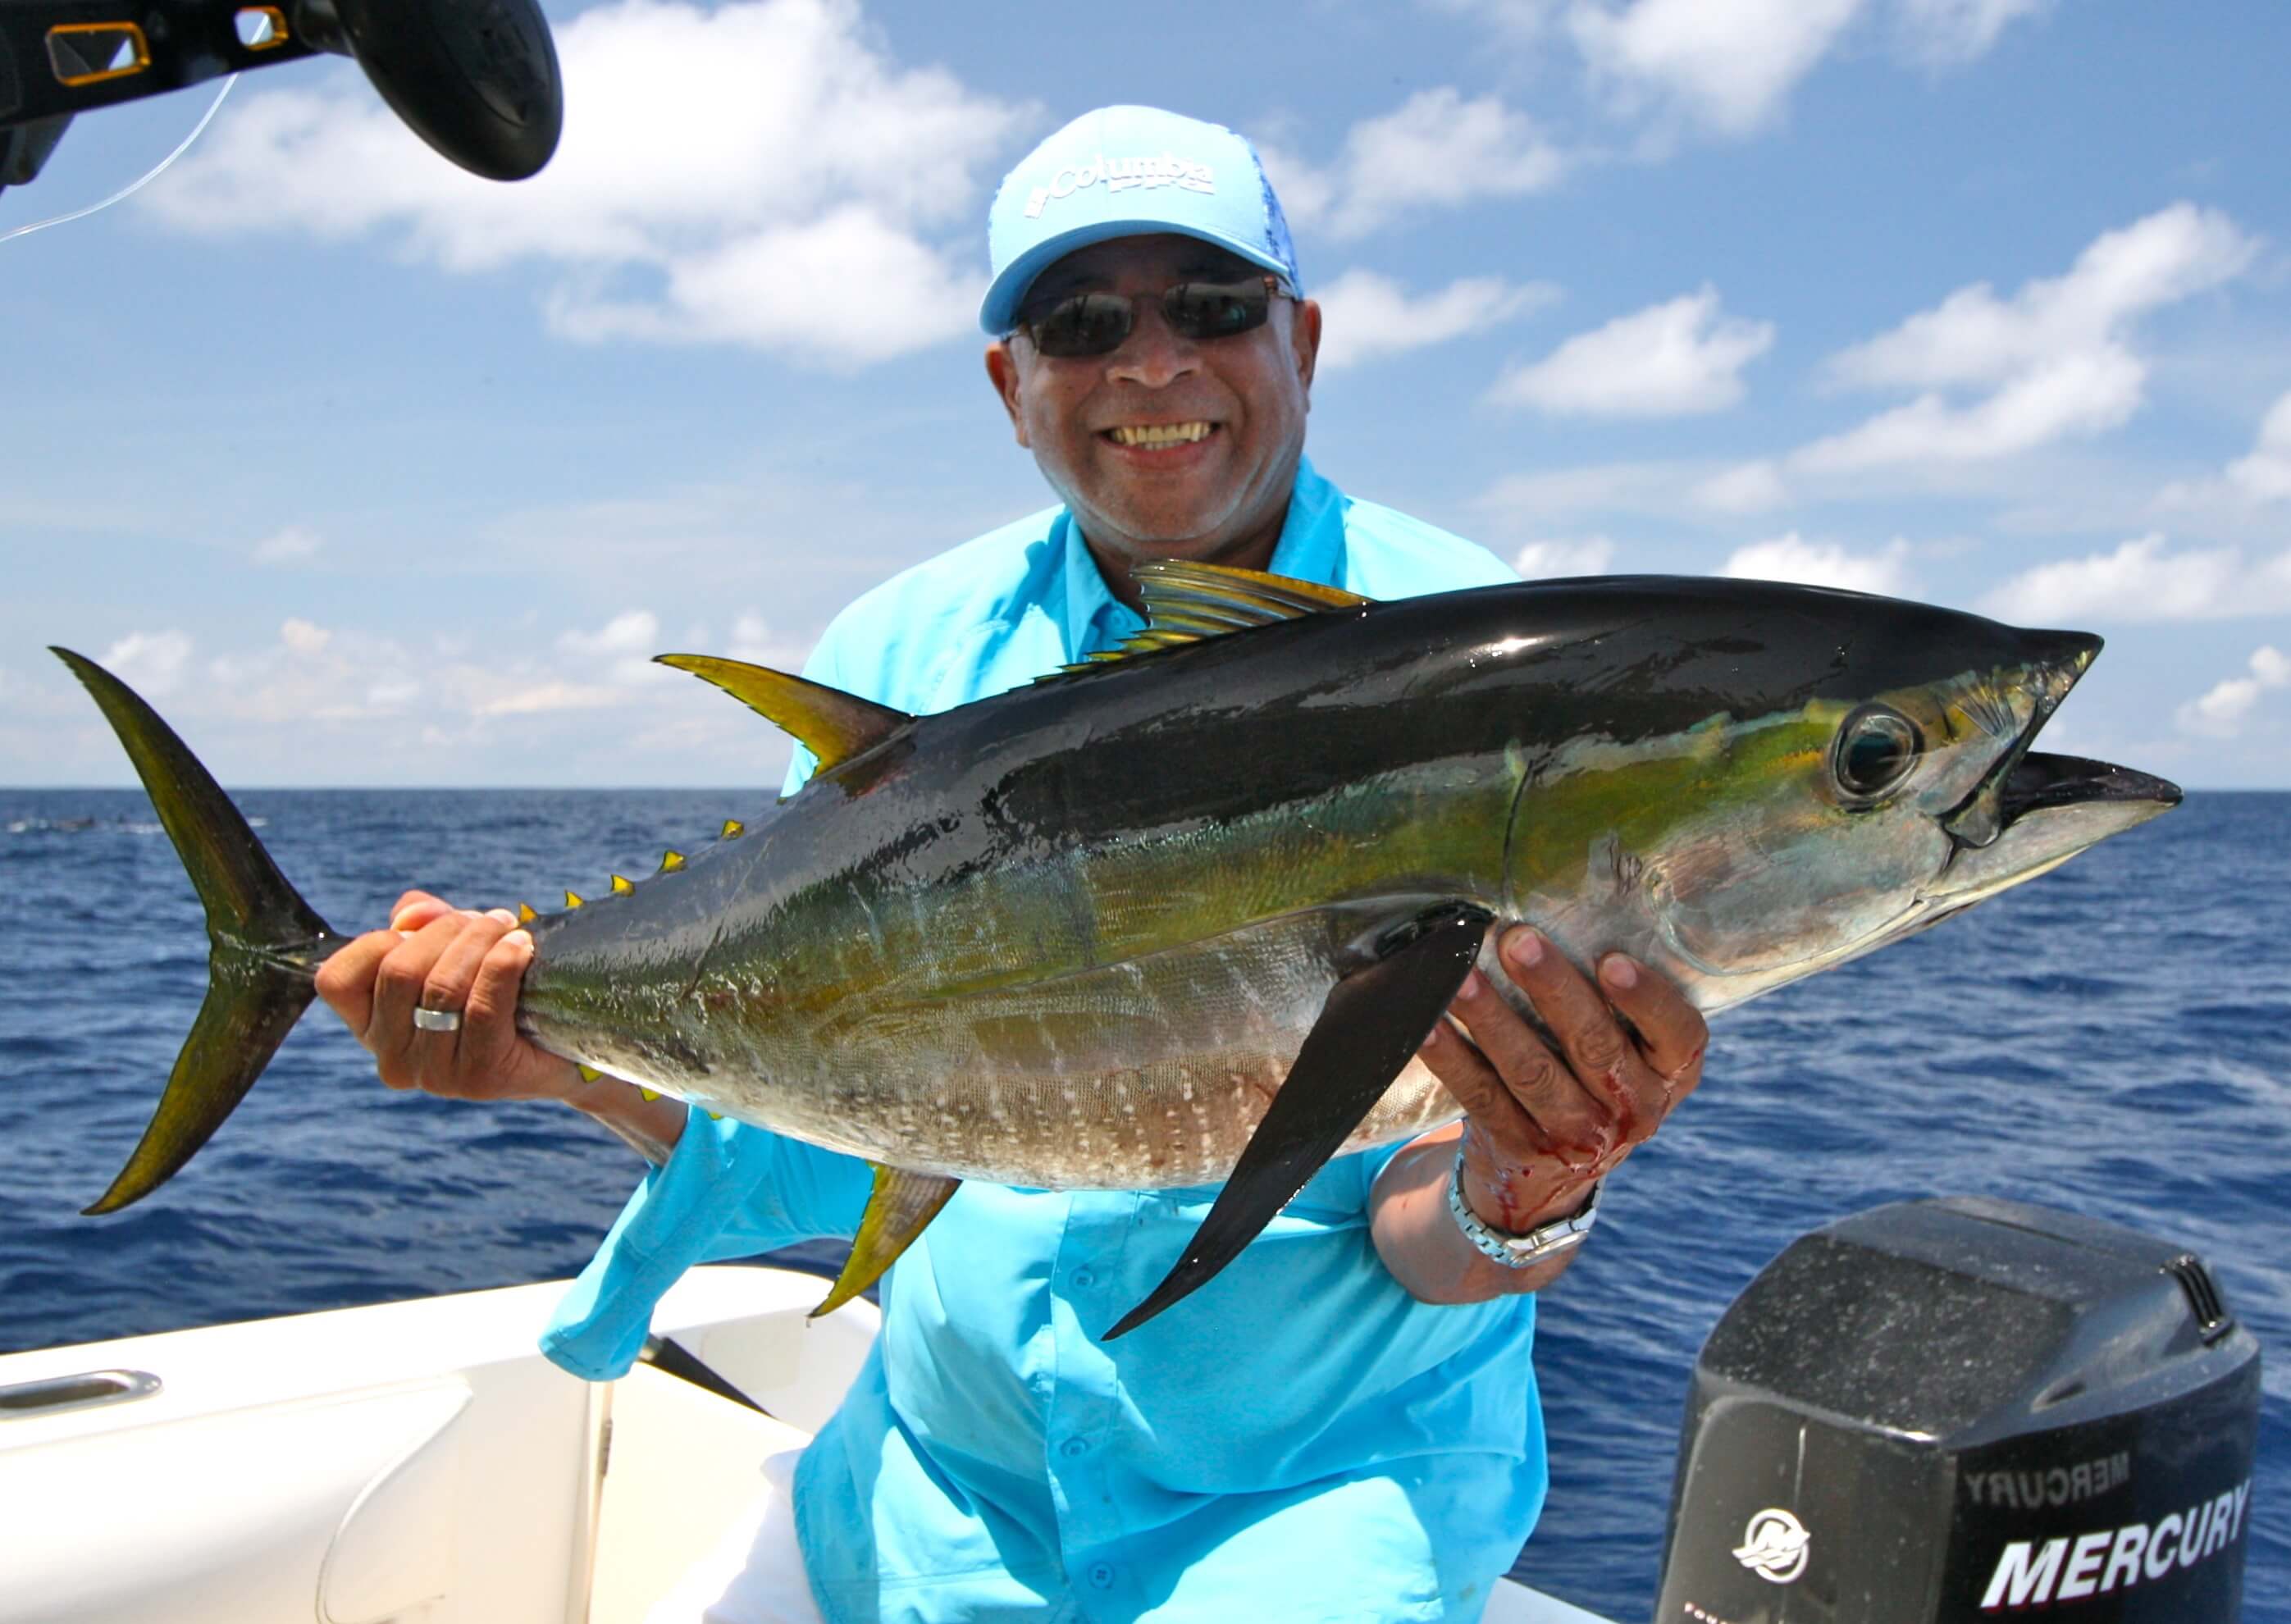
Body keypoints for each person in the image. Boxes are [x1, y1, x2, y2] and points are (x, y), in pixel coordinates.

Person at [316, 106, 1709, 1624]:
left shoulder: (1485, 658)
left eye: (1213, 307)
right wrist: (565, 1064)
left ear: (1302, 340)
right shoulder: (903, 658)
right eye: (1082, 320)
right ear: (1012, 382)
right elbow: (837, 1097)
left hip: (1304, 1517)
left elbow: (1417, 1216)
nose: (1153, 362)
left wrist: (1527, 1185)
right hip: (936, 1497)